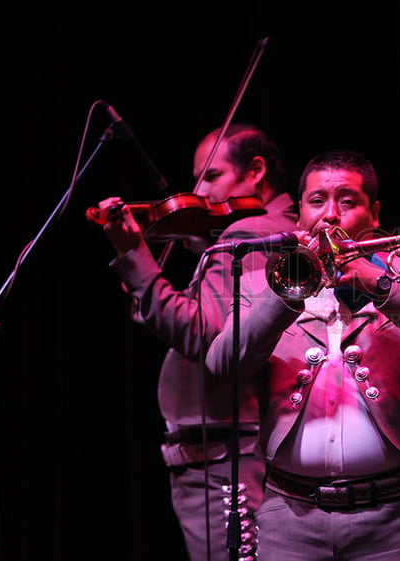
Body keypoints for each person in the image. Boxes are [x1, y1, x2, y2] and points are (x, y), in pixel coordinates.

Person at [204, 148, 400, 561]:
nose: (330, 215)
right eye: (317, 202)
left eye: (347, 201)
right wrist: (288, 293)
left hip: (393, 515)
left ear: (375, 213)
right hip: (288, 516)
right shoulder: (261, 286)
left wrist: (383, 286)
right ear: (299, 216)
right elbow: (223, 365)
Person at [95, 123, 298, 561]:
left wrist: (134, 254)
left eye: (211, 176)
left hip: (224, 460)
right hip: (228, 451)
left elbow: (201, 335)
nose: (200, 193)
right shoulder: (262, 233)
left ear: (256, 171)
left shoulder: (250, 233)